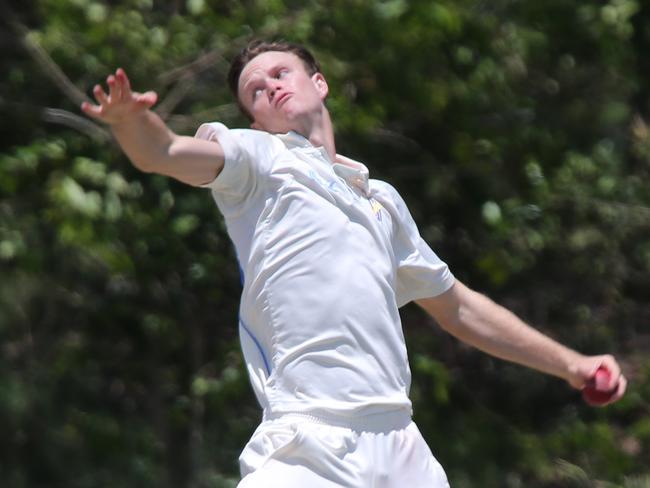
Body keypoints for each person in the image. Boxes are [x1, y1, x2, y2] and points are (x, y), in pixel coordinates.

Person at [81, 40, 627, 487]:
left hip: (400, 445)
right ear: (256, 118)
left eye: (280, 72)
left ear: (318, 83)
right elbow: (165, 153)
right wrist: (130, 122)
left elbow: (458, 308)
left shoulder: (381, 200)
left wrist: (571, 365)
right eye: (255, 90)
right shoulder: (259, 162)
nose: (270, 85)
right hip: (308, 445)